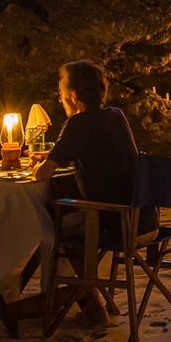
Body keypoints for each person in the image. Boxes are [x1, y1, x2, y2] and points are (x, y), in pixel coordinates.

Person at [36, 60, 142, 324]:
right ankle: (90, 295)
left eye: (61, 93)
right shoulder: (116, 115)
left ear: (73, 96)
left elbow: (43, 174)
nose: (60, 100)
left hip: (109, 220)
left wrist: (41, 160)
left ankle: (88, 302)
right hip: (139, 215)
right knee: (61, 216)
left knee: (52, 222)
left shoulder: (78, 124)